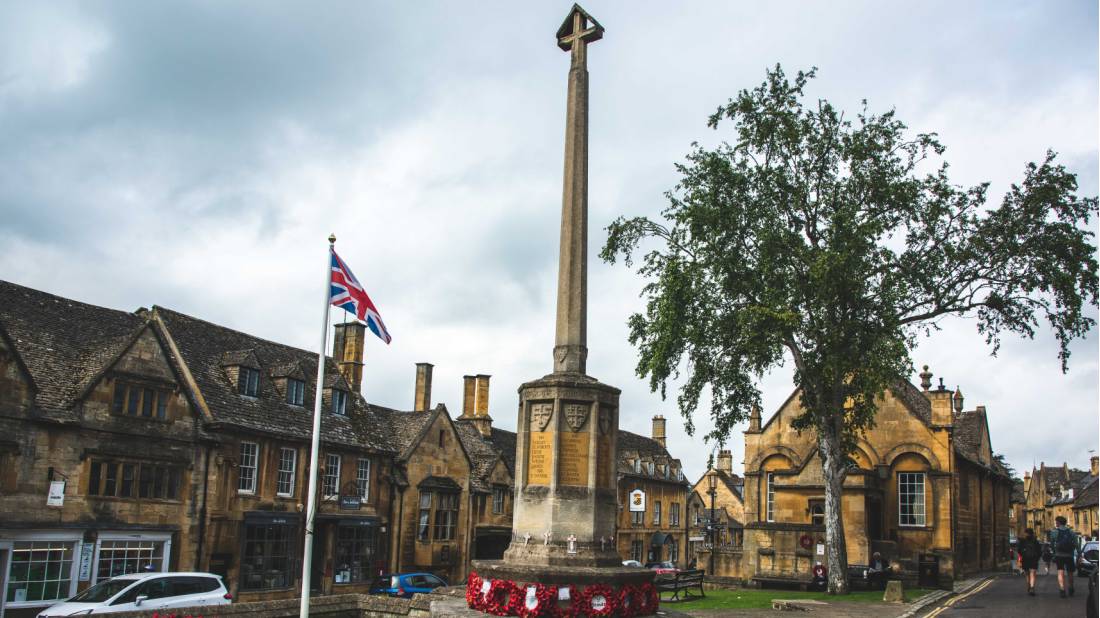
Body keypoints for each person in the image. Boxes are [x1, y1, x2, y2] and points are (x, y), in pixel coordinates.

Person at [1049, 515, 1079, 597]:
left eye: (1056, 522)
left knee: (1060, 572)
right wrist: (1079, 553)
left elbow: (1052, 544)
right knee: (1070, 573)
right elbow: (1076, 544)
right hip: (1069, 555)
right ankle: (1071, 587)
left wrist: (1054, 552)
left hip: (1059, 555)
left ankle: (1062, 589)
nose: (1055, 523)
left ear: (1058, 522)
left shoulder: (1054, 532)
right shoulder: (1071, 532)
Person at [1018, 528, 1042, 596]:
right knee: (1033, 573)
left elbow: (1019, 551)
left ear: (1026, 533)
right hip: (1034, 559)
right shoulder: (1035, 541)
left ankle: (1029, 585)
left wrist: (1021, 557)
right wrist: (1037, 558)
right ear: (1032, 533)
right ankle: (1032, 587)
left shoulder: (1022, 541)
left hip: (1025, 559)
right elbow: (1039, 551)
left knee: (1027, 574)